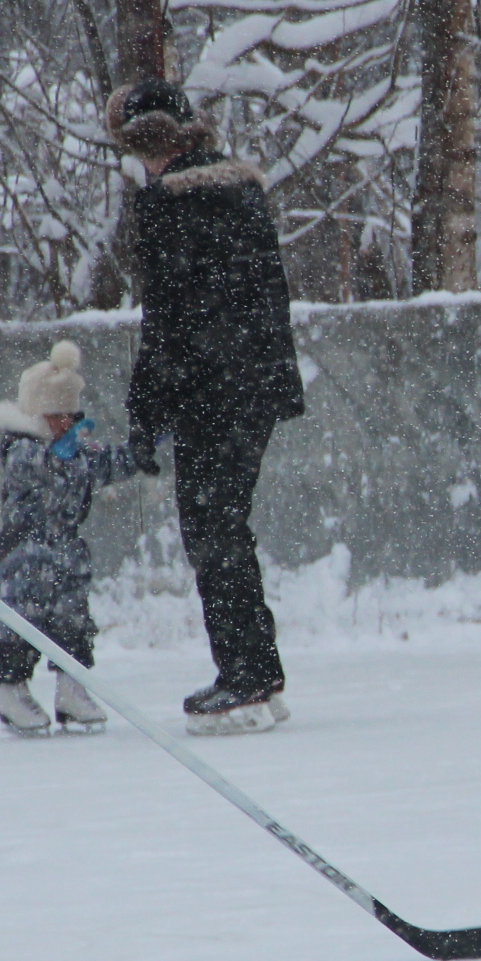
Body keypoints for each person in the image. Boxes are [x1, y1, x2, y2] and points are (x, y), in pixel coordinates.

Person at [109, 79, 307, 735]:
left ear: (146, 144)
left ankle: (246, 676)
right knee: (226, 526)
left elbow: (168, 321)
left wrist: (146, 412)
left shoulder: (169, 205)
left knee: (212, 531)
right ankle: (258, 669)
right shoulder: (240, 192)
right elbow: (251, 298)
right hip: (255, 383)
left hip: (212, 392)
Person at [0, 340, 143, 735]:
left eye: (72, 415)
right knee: (20, 625)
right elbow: (43, 468)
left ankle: (72, 690)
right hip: (23, 555)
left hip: (67, 553)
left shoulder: (76, 451)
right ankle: (12, 693)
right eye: (59, 416)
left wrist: (144, 447)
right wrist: (66, 453)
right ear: (39, 413)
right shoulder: (22, 449)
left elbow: (105, 463)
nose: (67, 424)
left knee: (74, 623)